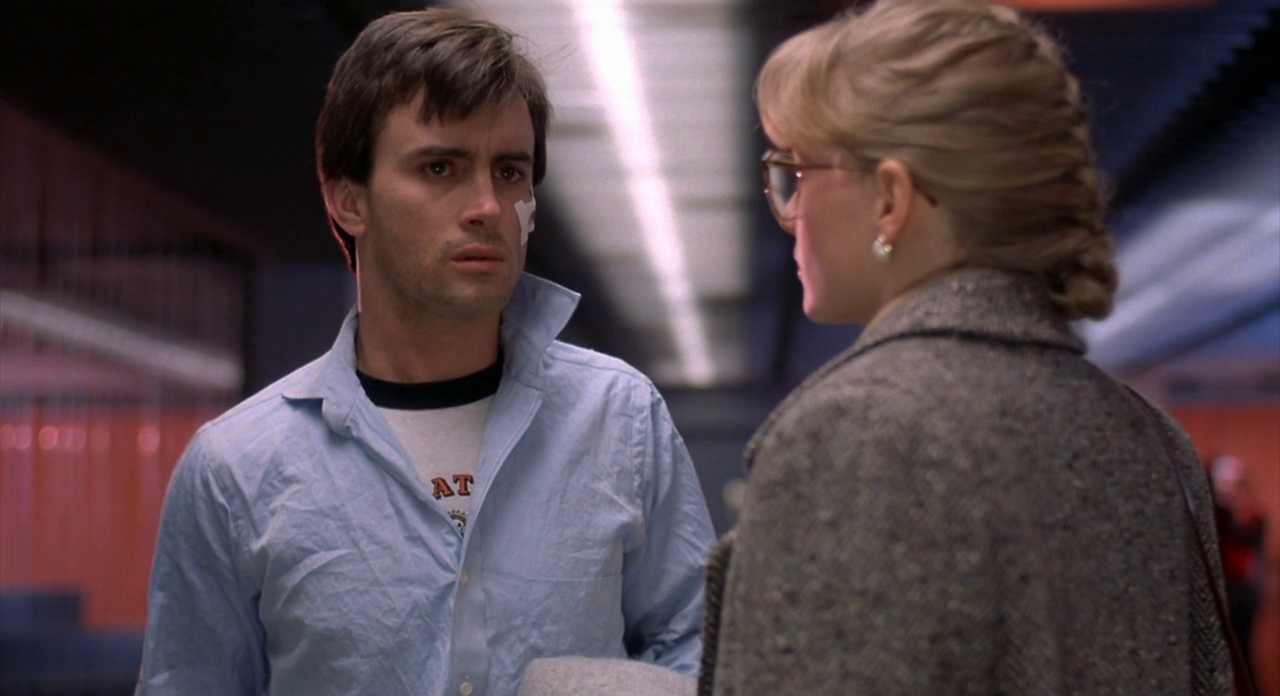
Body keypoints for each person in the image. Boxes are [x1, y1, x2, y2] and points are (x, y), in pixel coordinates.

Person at [135, 8, 715, 696]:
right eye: (441, 167)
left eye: (509, 172)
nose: (487, 207)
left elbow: (697, 653)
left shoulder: (619, 419)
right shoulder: (237, 469)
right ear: (348, 200)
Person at [698, 1, 1231, 694]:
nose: (790, 211)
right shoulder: (1151, 437)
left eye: (796, 174)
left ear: (890, 199)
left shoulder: (860, 430)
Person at [1210, 454, 1267, 686]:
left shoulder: (1254, 518)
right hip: (1222, 594)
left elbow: (1250, 545)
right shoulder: (1218, 517)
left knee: (1243, 654)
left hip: (1241, 597)